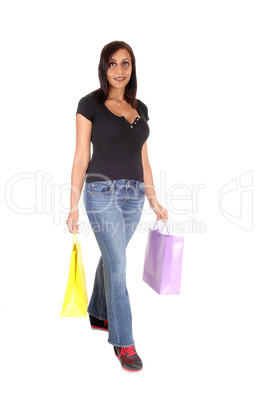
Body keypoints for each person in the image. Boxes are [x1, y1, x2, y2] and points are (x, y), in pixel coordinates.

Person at [66, 40, 168, 372]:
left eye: (125, 63)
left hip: (133, 196)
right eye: (113, 63)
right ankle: (124, 342)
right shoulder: (90, 104)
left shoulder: (141, 108)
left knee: (114, 258)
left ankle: (98, 310)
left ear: (132, 68)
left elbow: (144, 160)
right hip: (101, 194)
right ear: (104, 68)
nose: (119, 70)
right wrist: (72, 205)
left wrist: (154, 201)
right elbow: (81, 157)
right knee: (119, 268)